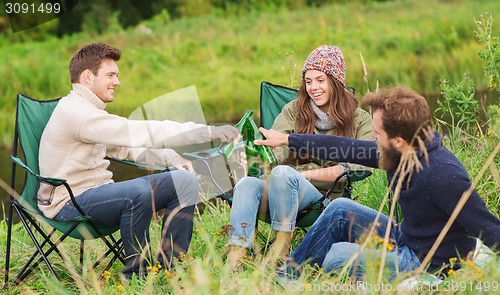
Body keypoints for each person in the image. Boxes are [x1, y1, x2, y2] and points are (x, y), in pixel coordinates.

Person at [37, 43, 239, 279]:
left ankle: (171, 265)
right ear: (88, 77)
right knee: (138, 192)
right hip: (69, 202)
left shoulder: (89, 112)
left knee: (185, 181)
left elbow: (124, 149)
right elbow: (139, 131)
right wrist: (208, 132)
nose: (117, 82)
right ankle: (137, 273)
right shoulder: (77, 113)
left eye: (117, 75)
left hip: (100, 193)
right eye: (111, 75)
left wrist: (171, 157)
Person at [255, 86, 500, 280]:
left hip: (427, 263)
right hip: (406, 237)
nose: (372, 137)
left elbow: (487, 227)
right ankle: (287, 277)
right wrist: (288, 139)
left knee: (337, 258)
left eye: (378, 133)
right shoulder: (398, 152)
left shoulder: (444, 175)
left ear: (399, 140)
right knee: (339, 208)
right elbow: (345, 148)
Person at [227, 45, 373, 267]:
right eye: (308, 81)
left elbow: (361, 166)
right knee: (247, 183)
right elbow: (275, 151)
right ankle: (236, 259)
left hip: (321, 197)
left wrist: (302, 177)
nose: (313, 87)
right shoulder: (294, 110)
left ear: (336, 81)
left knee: (285, 174)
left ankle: (282, 253)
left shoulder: (359, 119)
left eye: (320, 80)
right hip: (279, 186)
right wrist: (250, 152)